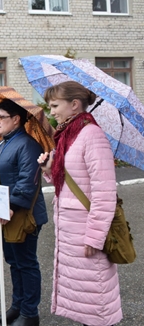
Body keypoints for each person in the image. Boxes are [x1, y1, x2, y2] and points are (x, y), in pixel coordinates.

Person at [38, 81, 122, 326]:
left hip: (85, 232)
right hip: (71, 231)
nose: (51, 112)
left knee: (96, 301)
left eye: (55, 105)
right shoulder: (69, 136)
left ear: (74, 105)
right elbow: (70, 181)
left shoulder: (91, 135)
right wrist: (48, 169)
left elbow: (104, 192)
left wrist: (94, 238)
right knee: (85, 302)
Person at [0, 99, 47, 326]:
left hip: (23, 215)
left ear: (16, 119)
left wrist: (12, 207)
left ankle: (30, 313)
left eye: (1, 118)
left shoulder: (27, 144)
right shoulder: (3, 144)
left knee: (26, 263)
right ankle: (17, 306)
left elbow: (28, 181)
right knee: (14, 262)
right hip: (5, 214)